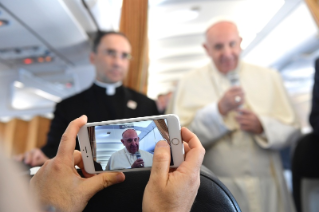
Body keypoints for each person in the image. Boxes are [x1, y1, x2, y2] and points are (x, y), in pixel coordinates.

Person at [167, 20, 300, 212]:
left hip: (268, 185)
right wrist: (218, 112)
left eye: (232, 44)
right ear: (207, 49)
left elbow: (292, 129)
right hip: (217, 186)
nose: (227, 53)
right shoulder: (188, 83)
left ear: (240, 42)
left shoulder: (269, 77)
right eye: (219, 47)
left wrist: (262, 126)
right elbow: (177, 140)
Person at [1, 115, 205, 212]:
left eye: (136, 139)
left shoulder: (152, 155)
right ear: (123, 142)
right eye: (130, 140)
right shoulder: (115, 158)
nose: (134, 143)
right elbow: (107, 174)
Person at [18, 31, 159, 167]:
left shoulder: (146, 104)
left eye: (124, 55)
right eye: (110, 53)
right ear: (93, 58)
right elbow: (54, 149)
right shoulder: (67, 106)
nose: (118, 62)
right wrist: (39, 155)